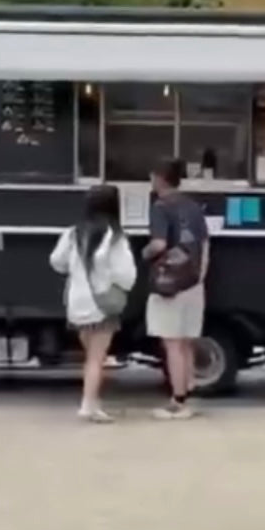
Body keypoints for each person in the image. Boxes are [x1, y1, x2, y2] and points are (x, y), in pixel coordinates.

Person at [49, 184, 137, 423]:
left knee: (91, 356)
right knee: (96, 358)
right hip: (102, 303)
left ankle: (92, 401)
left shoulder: (72, 233)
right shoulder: (115, 237)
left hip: (76, 302)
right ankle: (89, 405)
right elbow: (126, 274)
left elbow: (56, 261)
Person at [143, 158, 209, 421]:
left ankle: (177, 401)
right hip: (194, 282)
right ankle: (188, 393)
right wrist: (199, 278)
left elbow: (158, 245)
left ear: (159, 178)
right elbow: (205, 245)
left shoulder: (160, 207)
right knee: (186, 343)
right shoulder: (194, 207)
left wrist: (143, 253)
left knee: (172, 344)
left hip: (169, 285)